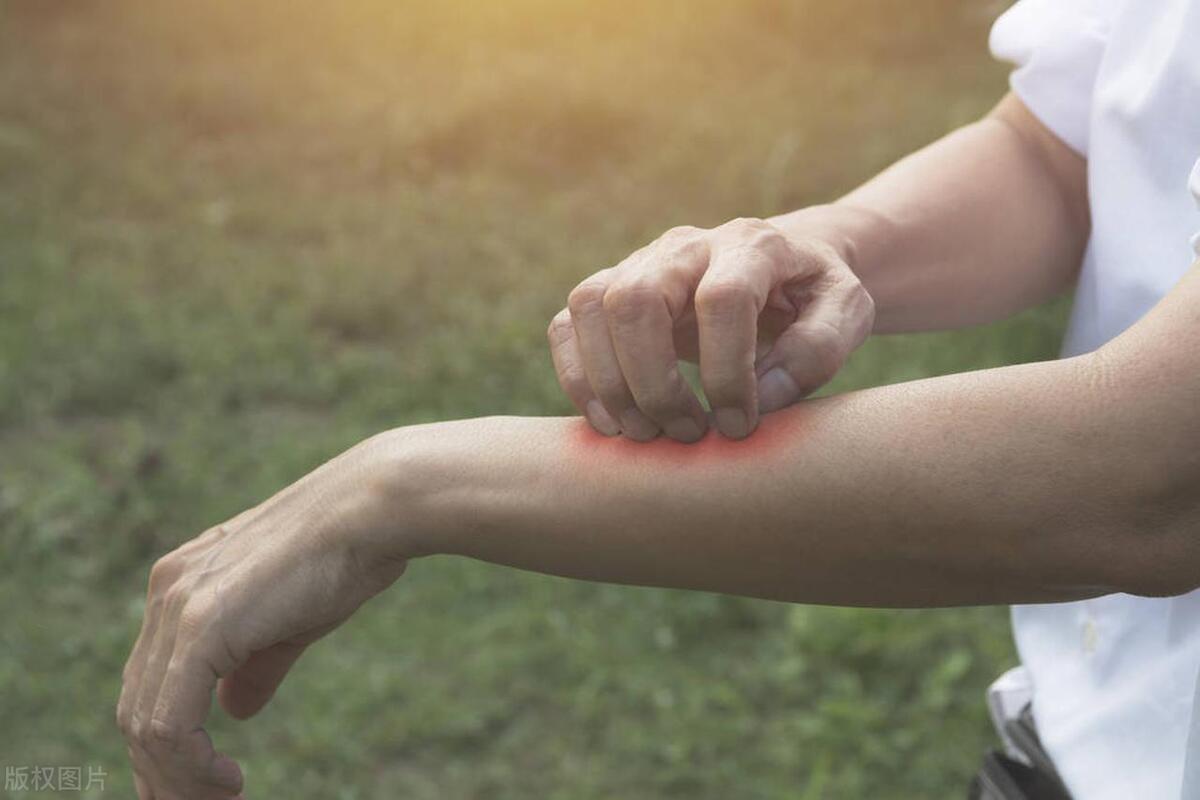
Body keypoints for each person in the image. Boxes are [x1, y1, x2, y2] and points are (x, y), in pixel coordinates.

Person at [116, 1, 1200, 797]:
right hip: (1075, 740)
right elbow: (1071, 144)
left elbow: (1151, 475)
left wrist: (403, 486)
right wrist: (831, 243)